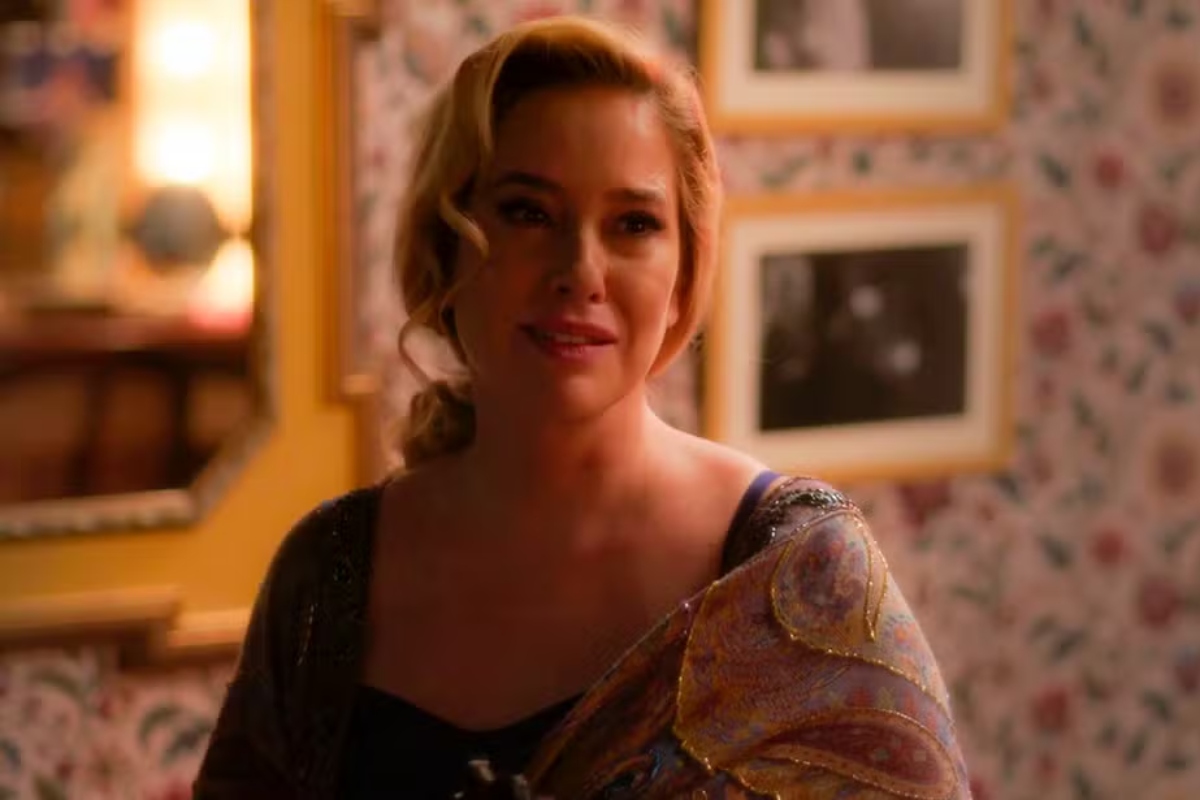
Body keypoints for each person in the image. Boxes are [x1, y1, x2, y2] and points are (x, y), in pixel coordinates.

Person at [193, 14, 971, 799]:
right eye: (529, 213)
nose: (580, 271)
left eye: (633, 224)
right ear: (444, 243)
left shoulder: (800, 575)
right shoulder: (329, 576)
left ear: (683, 275)